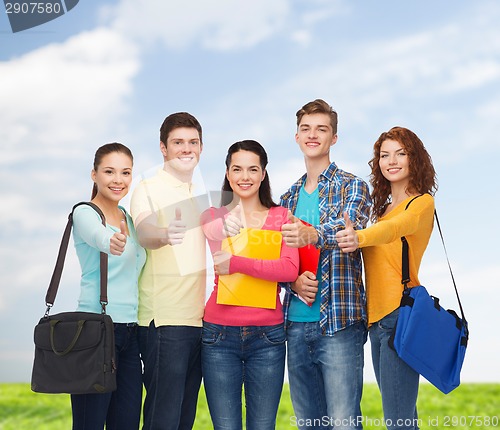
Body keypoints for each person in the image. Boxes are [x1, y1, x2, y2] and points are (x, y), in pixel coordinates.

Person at [336, 127, 437, 430]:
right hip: (376, 321)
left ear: (414, 159)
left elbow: (395, 229)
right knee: (403, 417)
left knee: (398, 420)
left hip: (399, 317)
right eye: (384, 155)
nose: (391, 161)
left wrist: (360, 236)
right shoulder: (380, 211)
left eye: (401, 153)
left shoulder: (420, 204)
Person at [280, 99, 372, 430]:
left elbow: (350, 227)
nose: (312, 135)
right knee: (309, 424)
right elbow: (276, 257)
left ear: (334, 138)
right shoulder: (287, 198)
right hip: (295, 323)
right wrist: (290, 283)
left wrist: (313, 234)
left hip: (340, 323)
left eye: (322, 129)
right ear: (297, 137)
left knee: (344, 423)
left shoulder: (354, 186)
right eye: (306, 129)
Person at [200, 140, 299, 430]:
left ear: (263, 173)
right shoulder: (214, 216)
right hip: (219, 335)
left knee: (263, 426)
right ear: (228, 174)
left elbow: (289, 269)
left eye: (253, 169)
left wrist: (237, 263)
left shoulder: (282, 217)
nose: (245, 177)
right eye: (237, 169)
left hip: (268, 336)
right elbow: (211, 230)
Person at [130, 112, 207, 430]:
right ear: (163, 148)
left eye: (192, 142)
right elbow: (145, 231)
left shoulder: (202, 196)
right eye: (178, 142)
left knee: (184, 418)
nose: (186, 149)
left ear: (201, 147)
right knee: (163, 419)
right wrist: (164, 234)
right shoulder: (147, 188)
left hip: (199, 321)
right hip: (163, 321)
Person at [71, 143, 146, 430]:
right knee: (89, 423)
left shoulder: (128, 218)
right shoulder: (84, 213)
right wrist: (112, 241)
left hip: (130, 332)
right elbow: (99, 237)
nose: (118, 180)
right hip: (96, 331)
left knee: (126, 423)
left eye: (125, 173)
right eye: (109, 172)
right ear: (94, 175)